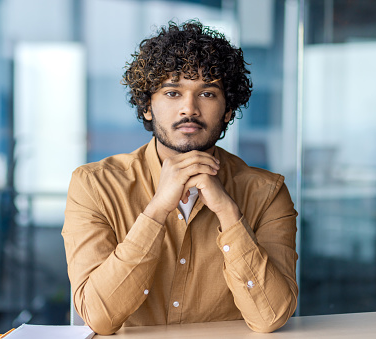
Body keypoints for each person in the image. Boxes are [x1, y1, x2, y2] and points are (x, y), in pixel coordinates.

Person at [62, 20, 298, 335]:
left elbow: (271, 317)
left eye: (208, 93)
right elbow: (98, 318)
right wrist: (157, 210)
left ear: (228, 110)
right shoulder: (94, 185)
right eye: (173, 92)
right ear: (147, 107)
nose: (189, 108)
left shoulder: (267, 192)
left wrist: (229, 213)